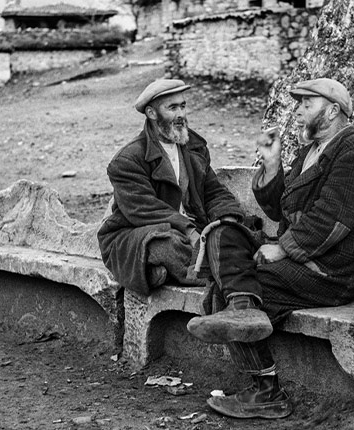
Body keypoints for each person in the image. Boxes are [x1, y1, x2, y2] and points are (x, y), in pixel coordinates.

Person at [186, 77, 354, 419]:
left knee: (232, 286)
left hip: (328, 272)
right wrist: (273, 165)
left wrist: (285, 248)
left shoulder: (352, 151)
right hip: (302, 263)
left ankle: (266, 392)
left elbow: (331, 220)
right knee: (225, 234)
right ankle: (243, 310)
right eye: (300, 104)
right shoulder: (311, 152)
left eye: (308, 104)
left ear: (333, 110)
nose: (299, 110)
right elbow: (281, 210)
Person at [97, 78, 260, 299]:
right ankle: (224, 274)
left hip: (195, 230)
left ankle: (182, 270)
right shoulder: (128, 160)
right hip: (139, 231)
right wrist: (190, 231)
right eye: (172, 108)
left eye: (183, 106)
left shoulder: (193, 146)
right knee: (167, 245)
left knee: (238, 231)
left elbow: (213, 191)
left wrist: (227, 218)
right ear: (152, 113)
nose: (181, 114)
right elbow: (143, 209)